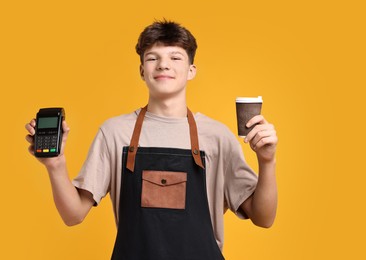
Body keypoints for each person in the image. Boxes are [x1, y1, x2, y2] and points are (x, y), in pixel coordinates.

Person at [25, 20, 278, 259]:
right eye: (152, 58)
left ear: (191, 70)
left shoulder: (217, 137)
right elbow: (73, 215)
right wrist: (55, 165)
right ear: (141, 71)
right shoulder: (114, 133)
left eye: (175, 57)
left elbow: (263, 217)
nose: (163, 65)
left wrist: (267, 161)